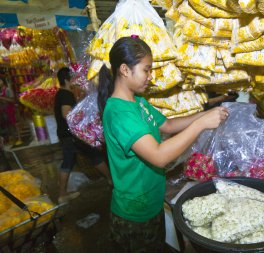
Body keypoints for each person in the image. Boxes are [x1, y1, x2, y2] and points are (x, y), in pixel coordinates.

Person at [97, 36, 229, 253]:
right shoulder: (119, 113)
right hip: (134, 215)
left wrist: (205, 115)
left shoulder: (138, 103)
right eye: (146, 70)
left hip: (152, 203)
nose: (150, 76)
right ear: (124, 69)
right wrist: (200, 125)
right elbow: (158, 156)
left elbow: (167, 125)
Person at [54, 67, 112, 204]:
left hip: (68, 135)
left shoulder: (61, 93)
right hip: (71, 136)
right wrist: (84, 120)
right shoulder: (66, 94)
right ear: (67, 79)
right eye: (73, 77)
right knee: (75, 160)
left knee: (91, 156)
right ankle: (62, 194)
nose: (75, 80)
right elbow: (66, 114)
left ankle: (110, 179)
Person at [0, 77, 21, 146]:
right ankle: (14, 139)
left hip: (11, 109)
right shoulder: (1, 91)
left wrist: (2, 98)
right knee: (9, 125)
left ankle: (19, 138)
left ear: (3, 82)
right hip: (4, 110)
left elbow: (12, 100)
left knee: (15, 124)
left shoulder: (8, 90)